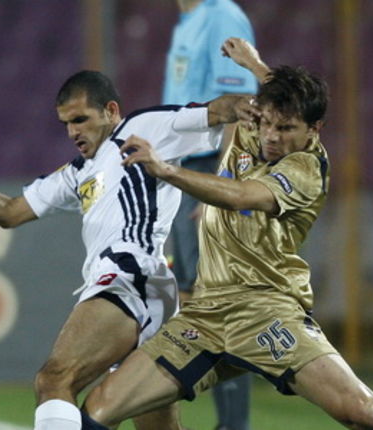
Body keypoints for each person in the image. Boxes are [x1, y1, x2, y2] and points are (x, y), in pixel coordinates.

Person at [78, 38, 373, 430]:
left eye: (286, 128)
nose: (271, 136)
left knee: (361, 411)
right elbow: (277, 95)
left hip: (266, 311)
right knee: (99, 409)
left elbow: (243, 196)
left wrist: (166, 171)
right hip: (206, 312)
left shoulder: (305, 168)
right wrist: (254, 63)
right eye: (266, 123)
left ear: (315, 129)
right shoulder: (261, 119)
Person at [0, 70, 248, 430]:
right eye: (66, 124)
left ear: (110, 110)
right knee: (143, 423)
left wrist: (251, 106)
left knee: (55, 379)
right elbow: (9, 212)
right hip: (148, 289)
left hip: (129, 275)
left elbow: (216, 111)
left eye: (80, 120)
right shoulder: (78, 172)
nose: (73, 132)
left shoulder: (144, 128)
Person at [163, 2, 258, 428]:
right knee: (193, 298)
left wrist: (219, 188)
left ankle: (233, 425)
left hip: (206, 170)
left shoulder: (221, 15)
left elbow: (241, 105)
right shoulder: (188, 20)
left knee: (215, 302)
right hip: (185, 171)